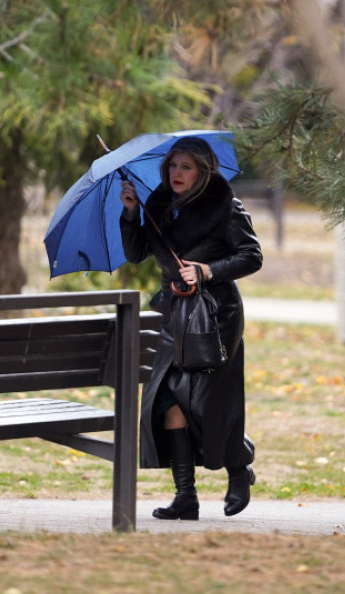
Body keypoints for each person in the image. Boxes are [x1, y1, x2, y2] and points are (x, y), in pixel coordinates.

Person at [119, 136, 263, 520]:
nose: (176, 174)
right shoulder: (159, 205)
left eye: (186, 167)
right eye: (172, 166)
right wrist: (131, 212)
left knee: (212, 401)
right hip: (175, 313)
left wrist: (207, 270)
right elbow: (136, 254)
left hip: (216, 315)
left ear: (203, 171)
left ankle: (238, 467)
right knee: (167, 398)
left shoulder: (226, 205)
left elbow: (252, 256)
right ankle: (186, 496)